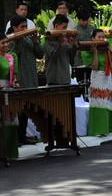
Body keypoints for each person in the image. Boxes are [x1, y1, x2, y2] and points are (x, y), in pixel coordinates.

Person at [7, 15, 44, 146]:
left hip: (32, 80)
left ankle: (22, 136)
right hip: (20, 82)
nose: (25, 29)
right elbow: (11, 58)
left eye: (26, 26)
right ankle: (17, 137)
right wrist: (17, 42)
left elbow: (40, 54)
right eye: (22, 27)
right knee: (19, 111)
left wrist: (35, 41)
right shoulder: (10, 41)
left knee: (27, 111)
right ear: (14, 28)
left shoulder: (29, 39)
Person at [81, 29, 112, 136]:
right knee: (99, 102)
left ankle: (109, 128)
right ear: (93, 39)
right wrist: (95, 52)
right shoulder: (87, 50)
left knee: (108, 101)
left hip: (109, 77)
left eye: (103, 37)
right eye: (99, 37)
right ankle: (99, 130)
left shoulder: (107, 47)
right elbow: (94, 66)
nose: (102, 39)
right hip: (97, 76)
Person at [44, 14, 77, 85]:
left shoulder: (64, 41)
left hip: (65, 79)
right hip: (54, 79)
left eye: (66, 28)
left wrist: (72, 45)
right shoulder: (48, 41)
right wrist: (60, 45)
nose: (65, 30)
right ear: (56, 26)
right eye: (64, 27)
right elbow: (53, 57)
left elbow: (71, 59)